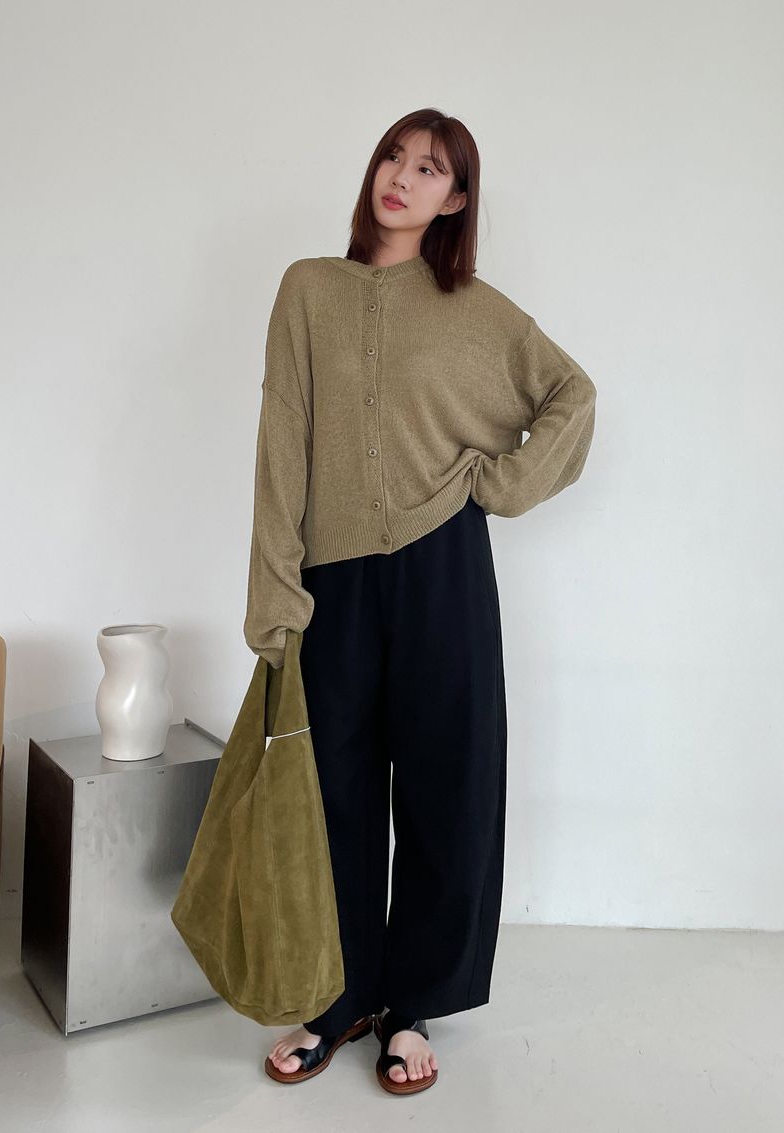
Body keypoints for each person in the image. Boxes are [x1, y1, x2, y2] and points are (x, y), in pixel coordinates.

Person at [244, 107, 597, 1095]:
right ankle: (337, 997)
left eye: (430, 168)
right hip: (333, 576)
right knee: (333, 790)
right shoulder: (308, 289)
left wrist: (501, 485)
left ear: (457, 197)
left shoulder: (475, 309)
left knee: (448, 781)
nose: (401, 177)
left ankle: (411, 1006)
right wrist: (274, 584)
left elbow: (570, 395)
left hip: (444, 565)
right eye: (393, 157)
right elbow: (281, 437)